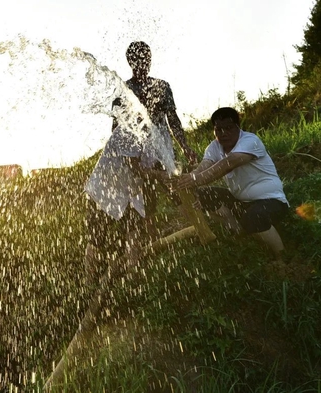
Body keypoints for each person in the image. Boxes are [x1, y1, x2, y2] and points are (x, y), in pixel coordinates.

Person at [83, 41, 198, 286]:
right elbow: (118, 135)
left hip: (149, 153)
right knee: (103, 225)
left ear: (150, 58)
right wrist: (147, 170)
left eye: (146, 58)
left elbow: (173, 121)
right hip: (119, 167)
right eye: (137, 59)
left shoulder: (162, 87)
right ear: (130, 62)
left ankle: (137, 267)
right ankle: (94, 279)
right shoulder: (124, 93)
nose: (142, 63)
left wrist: (185, 147)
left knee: (143, 210)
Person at [176, 107, 289, 262]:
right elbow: (205, 165)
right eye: (218, 129)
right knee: (202, 195)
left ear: (238, 126)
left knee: (254, 217)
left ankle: (281, 257)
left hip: (271, 201)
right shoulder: (215, 146)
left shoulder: (250, 141)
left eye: (228, 128)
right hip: (240, 201)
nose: (223, 133)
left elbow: (229, 163)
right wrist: (189, 177)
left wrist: (196, 179)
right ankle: (238, 230)